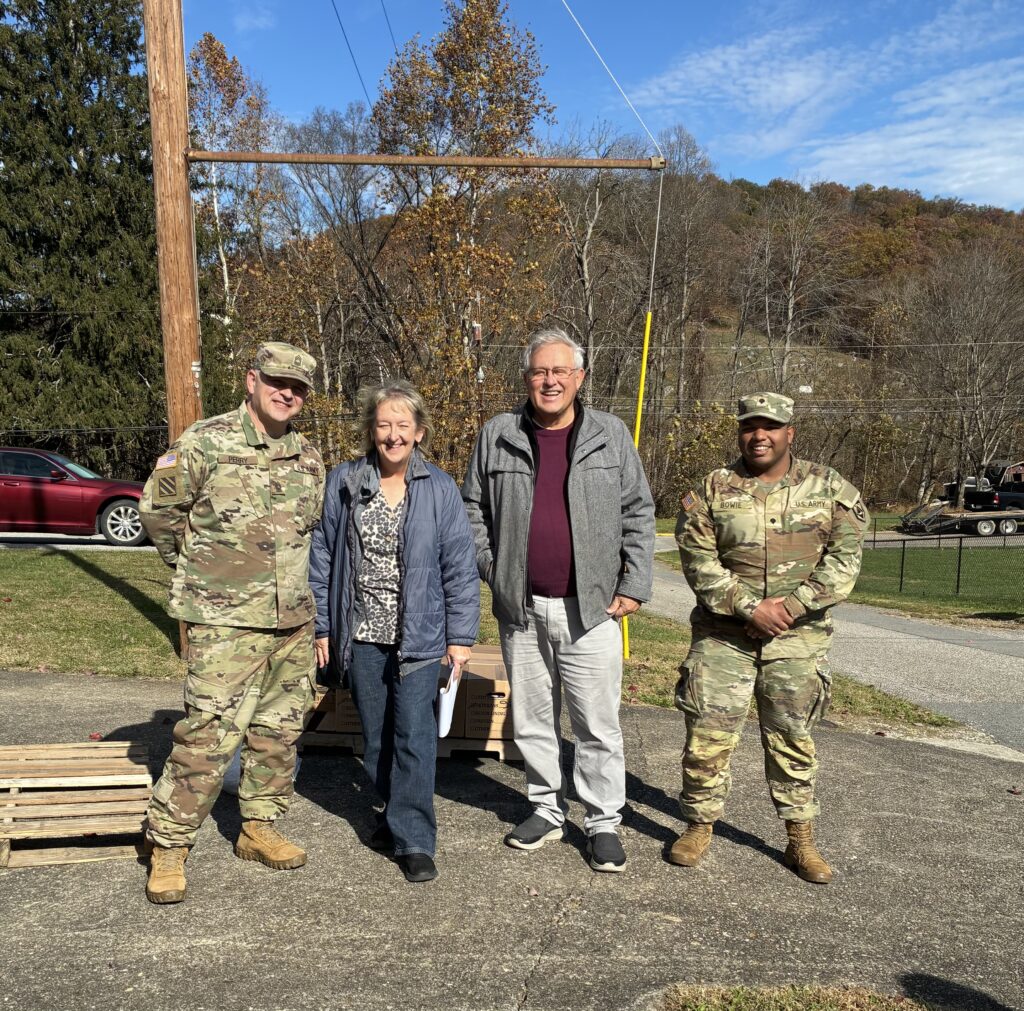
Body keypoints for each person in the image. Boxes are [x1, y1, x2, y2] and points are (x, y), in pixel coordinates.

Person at [462, 328, 655, 873]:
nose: (550, 381)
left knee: (596, 722)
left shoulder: (609, 435)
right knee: (532, 719)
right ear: (526, 378)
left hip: (591, 608)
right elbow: (471, 507)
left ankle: (602, 821)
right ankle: (546, 809)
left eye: (560, 372)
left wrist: (634, 584)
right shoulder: (498, 434)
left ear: (580, 378)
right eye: (539, 372)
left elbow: (639, 512)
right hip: (520, 607)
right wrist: (494, 571)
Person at [140, 341, 325, 904]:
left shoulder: (309, 458)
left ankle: (258, 827)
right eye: (277, 382)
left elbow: (307, 536)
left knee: (279, 732)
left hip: (291, 621)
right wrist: (199, 576)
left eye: (297, 388)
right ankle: (169, 845)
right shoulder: (205, 442)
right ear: (251, 380)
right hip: (224, 625)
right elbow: (158, 512)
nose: (287, 393)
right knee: (207, 736)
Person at [673, 392, 868, 882]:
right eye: (749, 426)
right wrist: (749, 607)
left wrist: (790, 607)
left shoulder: (828, 488)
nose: (759, 435)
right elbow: (698, 560)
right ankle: (699, 825)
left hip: (797, 639)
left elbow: (845, 560)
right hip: (724, 637)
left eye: (770, 427)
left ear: (789, 433)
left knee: (792, 740)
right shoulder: (715, 488)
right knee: (707, 737)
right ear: (740, 432)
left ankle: (799, 840)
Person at [309, 381, 479, 884]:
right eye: (383, 425)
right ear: (370, 431)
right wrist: (323, 625)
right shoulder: (344, 482)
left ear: (419, 432)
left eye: (403, 426)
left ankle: (415, 839)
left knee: (415, 736)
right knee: (378, 736)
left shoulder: (440, 488)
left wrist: (461, 638)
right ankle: (391, 814)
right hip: (361, 632)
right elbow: (322, 556)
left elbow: (460, 567)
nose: (392, 435)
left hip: (421, 637)